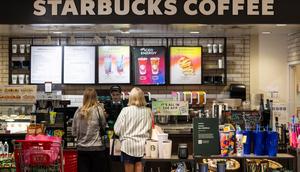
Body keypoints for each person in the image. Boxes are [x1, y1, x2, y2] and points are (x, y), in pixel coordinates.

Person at [114, 87, 152, 172]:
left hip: (128, 146)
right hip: (142, 147)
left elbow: (117, 129)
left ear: (131, 97)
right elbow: (150, 129)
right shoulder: (148, 111)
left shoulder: (125, 110)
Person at [72, 88, 108, 172]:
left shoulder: (78, 111)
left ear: (84, 97)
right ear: (95, 97)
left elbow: (74, 132)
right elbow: (103, 126)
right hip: (97, 148)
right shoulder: (99, 110)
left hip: (82, 148)